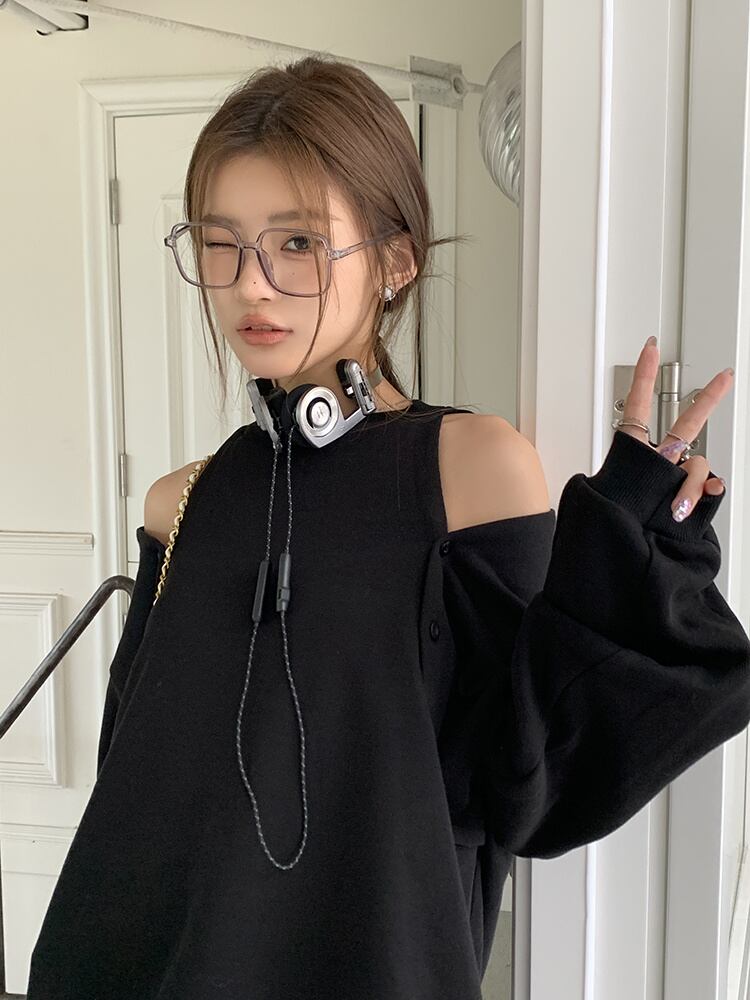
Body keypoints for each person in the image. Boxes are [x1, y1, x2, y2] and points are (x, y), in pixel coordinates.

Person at [27, 55, 750, 1000]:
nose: (251, 286)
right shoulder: (182, 502)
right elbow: (138, 795)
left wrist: (631, 541)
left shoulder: (471, 468)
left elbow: (530, 778)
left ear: (396, 261)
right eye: (219, 244)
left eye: (297, 243)